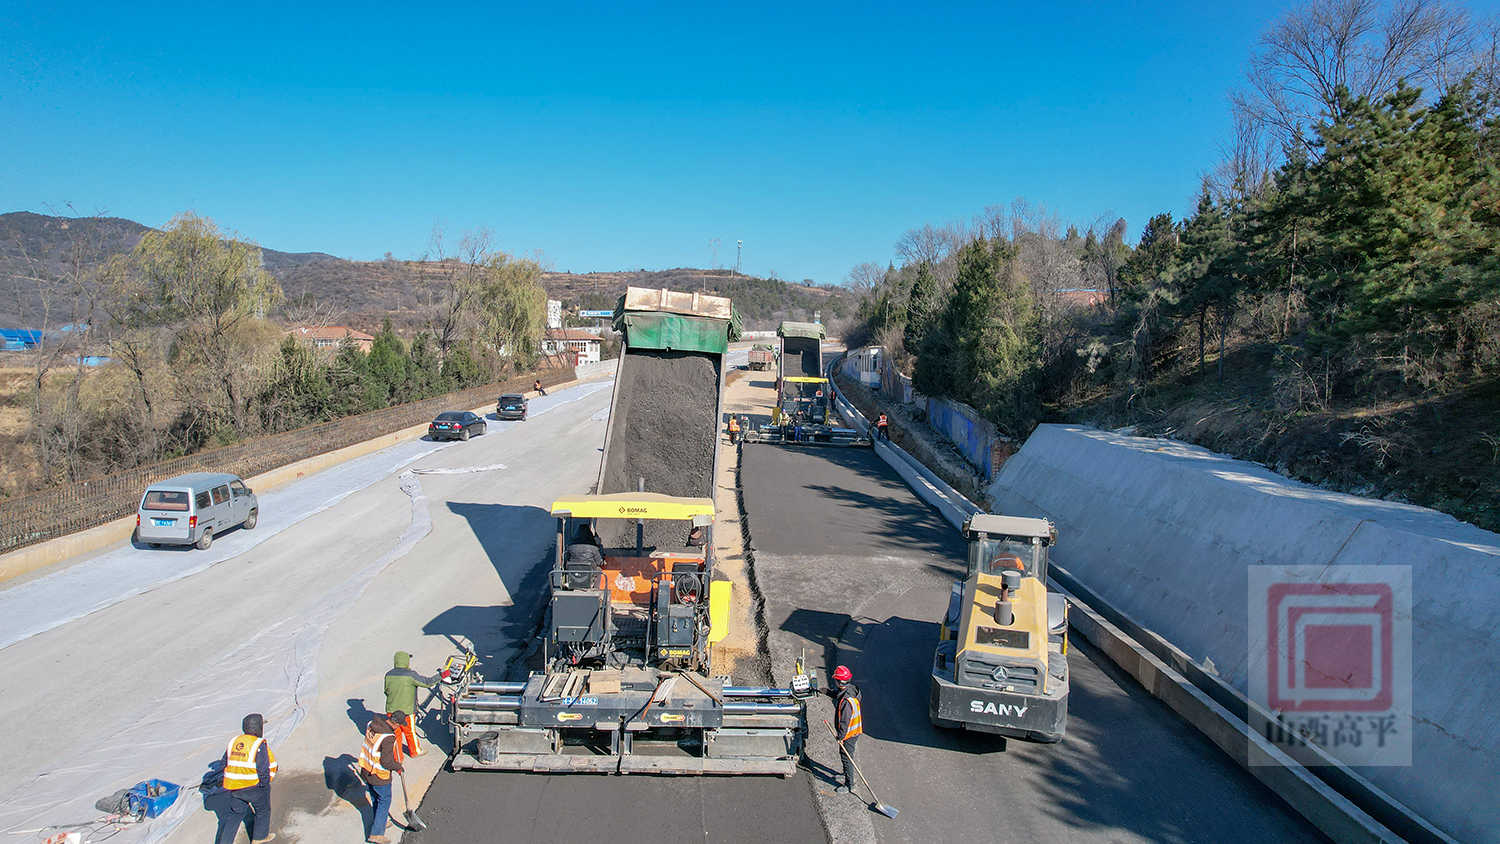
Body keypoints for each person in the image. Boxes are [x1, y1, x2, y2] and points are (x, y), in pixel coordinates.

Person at [216, 713, 278, 844]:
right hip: (253, 787)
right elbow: (263, 768)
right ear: (258, 728)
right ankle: (259, 837)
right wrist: (265, 785)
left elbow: (224, 763)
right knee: (263, 811)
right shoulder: (258, 744)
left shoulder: (234, 741)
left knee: (234, 816)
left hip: (234, 788)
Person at [384, 652, 443, 757]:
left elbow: (386, 691)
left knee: (395, 733)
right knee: (410, 731)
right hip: (407, 711)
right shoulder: (410, 675)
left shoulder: (388, 675)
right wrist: (441, 675)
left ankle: (397, 756)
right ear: (406, 661)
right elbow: (427, 682)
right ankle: (415, 751)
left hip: (391, 709)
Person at [357, 712, 404, 844]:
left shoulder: (371, 725)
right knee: (384, 800)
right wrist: (398, 767)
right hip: (378, 774)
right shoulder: (388, 738)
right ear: (396, 724)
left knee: (375, 797)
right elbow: (386, 762)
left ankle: (379, 821)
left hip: (366, 769)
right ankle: (376, 834)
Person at [831, 665, 863, 794]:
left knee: (846, 757)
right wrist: (826, 692)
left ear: (839, 682)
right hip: (853, 731)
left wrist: (840, 737)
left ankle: (849, 784)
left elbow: (844, 722)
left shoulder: (846, 702)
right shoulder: (851, 690)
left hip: (849, 733)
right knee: (845, 756)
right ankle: (846, 773)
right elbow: (838, 694)